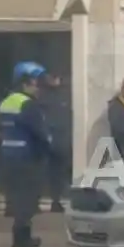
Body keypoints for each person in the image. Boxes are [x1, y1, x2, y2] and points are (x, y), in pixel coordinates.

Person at [0, 61, 53, 247]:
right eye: (34, 83)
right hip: (27, 157)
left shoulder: (6, 102)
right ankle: (22, 237)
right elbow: (40, 132)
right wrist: (49, 147)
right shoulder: (27, 105)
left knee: (17, 197)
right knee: (28, 198)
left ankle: (20, 235)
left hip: (9, 155)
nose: (37, 87)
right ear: (24, 84)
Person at [43, 74, 73, 213]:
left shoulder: (66, 95)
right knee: (48, 172)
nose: (54, 80)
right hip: (47, 139)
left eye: (56, 77)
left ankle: (57, 200)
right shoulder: (42, 96)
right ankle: (52, 199)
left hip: (62, 139)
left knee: (60, 172)